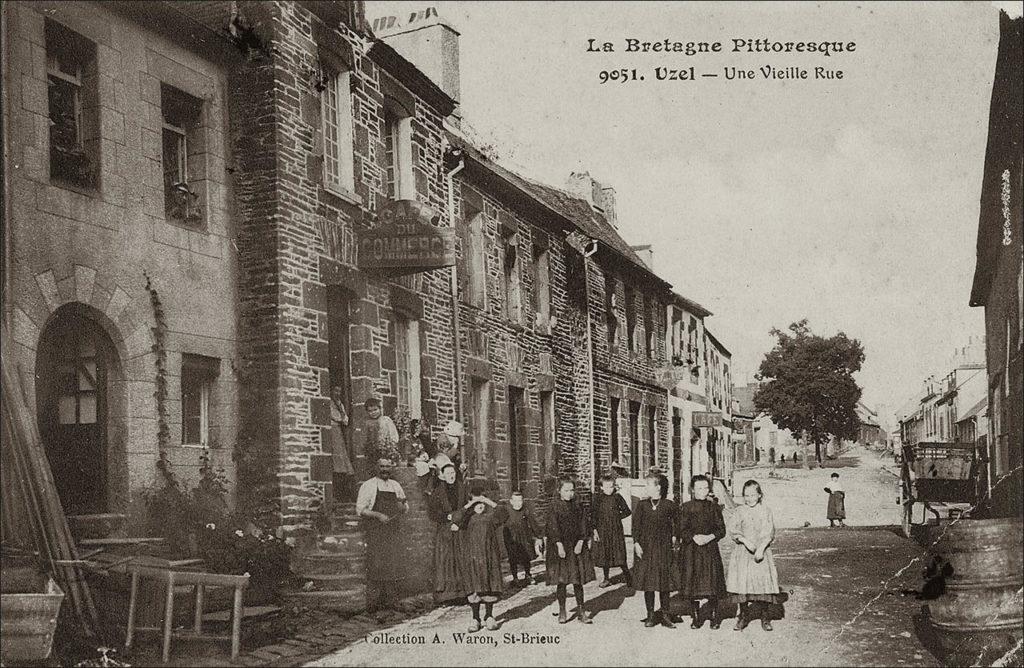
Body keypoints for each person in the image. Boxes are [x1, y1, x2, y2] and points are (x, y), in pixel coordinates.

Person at [727, 479, 784, 631]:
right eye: (746, 495)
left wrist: (761, 548)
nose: (750, 499)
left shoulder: (765, 511)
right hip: (743, 553)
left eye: (753, 495)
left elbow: (769, 532)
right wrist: (745, 541)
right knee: (743, 584)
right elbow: (733, 529)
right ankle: (743, 616)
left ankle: (765, 617)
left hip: (761, 552)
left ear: (759, 495)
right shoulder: (739, 511)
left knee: (762, 584)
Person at [355, 458, 408, 611]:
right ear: (376, 467)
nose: (385, 469)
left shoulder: (395, 485)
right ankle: (373, 603)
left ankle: (392, 601)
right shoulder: (369, 485)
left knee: (393, 564)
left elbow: (405, 507)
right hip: (376, 531)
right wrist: (378, 515)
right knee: (376, 564)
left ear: (391, 468)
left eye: (387, 466)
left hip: (393, 531)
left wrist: (401, 506)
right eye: (382, 466)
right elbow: (360, 509)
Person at [678, 475, 727, 629]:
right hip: (691, 551)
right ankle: (696, 616)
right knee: (692, 583)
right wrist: (693, 537)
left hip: (709, 549)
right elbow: (681, 529)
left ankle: (713, 616)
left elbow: (721, 530)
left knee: (712, 583)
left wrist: (709, 537)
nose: (703, 491)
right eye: (699, 488)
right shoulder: (686, 507)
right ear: (692, 490)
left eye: (706, 488)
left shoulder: (713, 507)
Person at [631, 472, 680, 628]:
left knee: (664, 583)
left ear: (658, 487)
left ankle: (666, 615)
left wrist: (674, 537)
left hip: (664, 548)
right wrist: (636, 543)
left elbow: (676, 524)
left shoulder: (668, 505)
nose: (645, 487)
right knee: (649, 583)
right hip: (646, 548)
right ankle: (651, 615)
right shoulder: (642, 505)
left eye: (648, 484)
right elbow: (636, 526)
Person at [458, 482, 507, 632]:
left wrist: (486, 500)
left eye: (482, 503)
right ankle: (475, 618)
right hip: (472, 557)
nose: (479, 506)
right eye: (476, 503)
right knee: (474, 587)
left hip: (489, 556)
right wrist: (470, 503)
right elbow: (456, 519)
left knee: (489, 586)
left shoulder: (491, 517)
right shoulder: (467, 519)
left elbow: (504, 513)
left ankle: (489, 616)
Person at [545, 477, 595, 624]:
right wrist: (559, 545)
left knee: (577, 580)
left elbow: (584, 524)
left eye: (572, 490)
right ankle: (562, 610)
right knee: (562, 580)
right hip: (561, 547)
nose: (569, 493)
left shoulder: (578, 506)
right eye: (566, 490)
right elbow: (552, 527)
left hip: (576, 546)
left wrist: (581, 541)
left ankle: (581, 610)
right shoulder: (554, 506)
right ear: (559, 491)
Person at [427, 464, 465, 604]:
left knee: (461, 558)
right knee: (445, 561)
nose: (451, 475)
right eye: (448, 473)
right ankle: (446, 597)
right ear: (443, 475)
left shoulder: (463, 488)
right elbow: (432, 513)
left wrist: (459, 522)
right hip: (445, 531)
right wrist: (447, 517)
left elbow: (468, 507)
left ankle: (463, 594)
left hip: (460, 529)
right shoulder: (437, 492)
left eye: (453, 472)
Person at [591, 473, 633, 589]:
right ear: (602, 487)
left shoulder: (617, 497)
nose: (610, 489)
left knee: (619, 552)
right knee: (605, 554)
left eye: (612, 486)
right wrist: (595, 531)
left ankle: (628, 576)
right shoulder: (598, 499)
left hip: (616, 530)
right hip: (603, 530)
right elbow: (593, 516)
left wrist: (616, 517)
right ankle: (606, 578)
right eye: (607, 487)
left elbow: (627, 511)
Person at [503, 490, 543, 586]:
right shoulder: (507, 511)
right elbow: (498, 521)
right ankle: (515, 578)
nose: (518, 503)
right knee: (513, 557)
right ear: (511, 501)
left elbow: (533, 523)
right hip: (511, 537)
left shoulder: (525, 510)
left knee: (526, 556)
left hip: (524, 536)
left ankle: (528, 575)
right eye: (515, 501)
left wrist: (539, 536)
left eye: (520, 501)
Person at [328, 385, 355, 501]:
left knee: (342, 460)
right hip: (331, 429)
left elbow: (345, 420)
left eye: (339, 391)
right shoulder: (329, 402)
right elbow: (335, 417)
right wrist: (341, 416)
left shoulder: (340, 404)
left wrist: (341, 412)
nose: (337, 393)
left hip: (338, 431)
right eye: (335, 390)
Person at [362, 397, 399, 473]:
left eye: (375, 410)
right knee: (374, 469)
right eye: (370, 411)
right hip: (373, 450)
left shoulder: (386, 420)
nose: (373, 412)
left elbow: (393, 433)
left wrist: (392, 445)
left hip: (386, 449)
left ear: (380, 409)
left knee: (387, 468)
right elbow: (365, 437)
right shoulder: (367, 423)